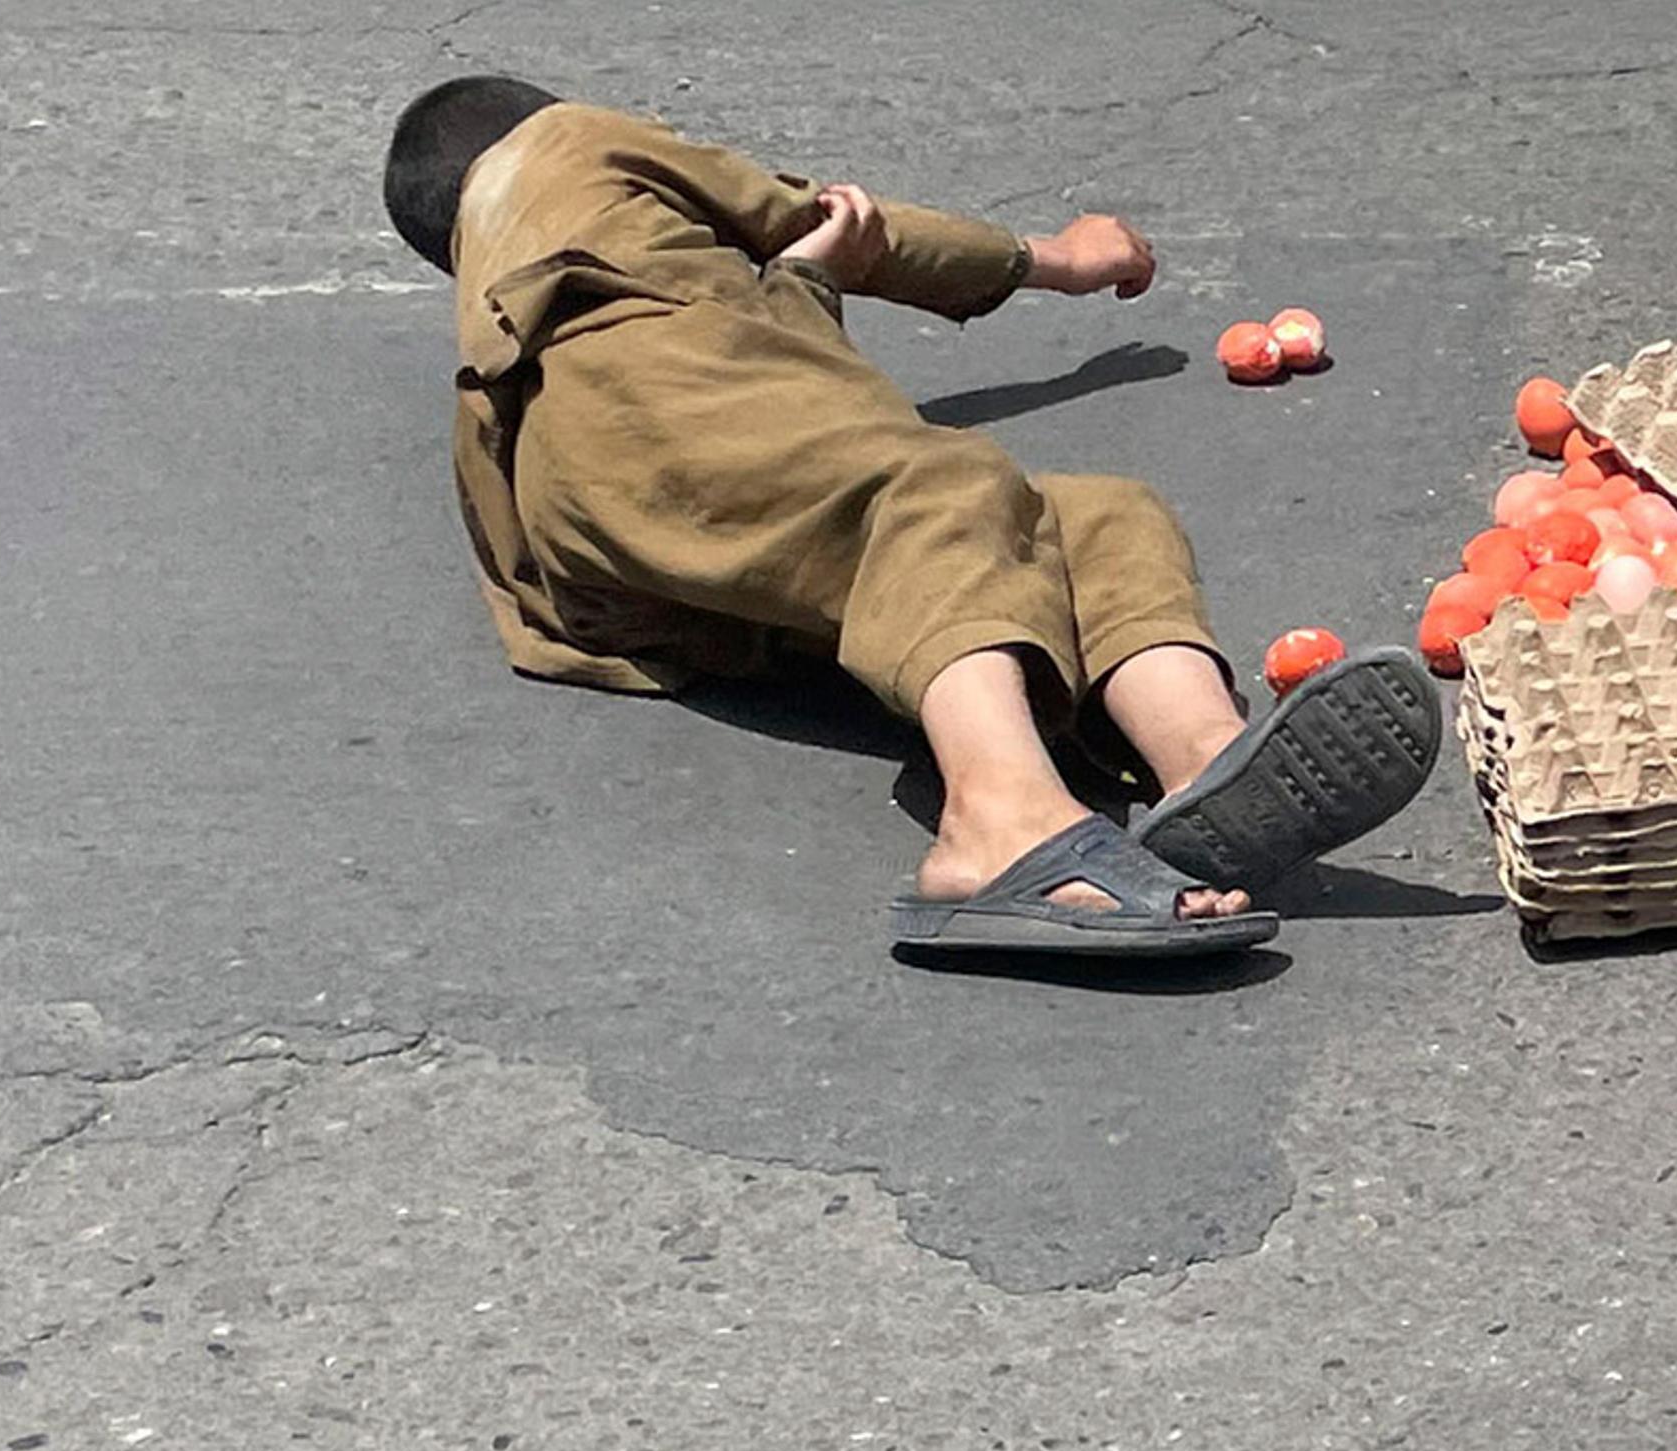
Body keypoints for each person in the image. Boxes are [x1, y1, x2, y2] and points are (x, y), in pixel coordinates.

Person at [387, 77, 1439, 969]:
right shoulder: (565, 145)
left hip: (621, 539)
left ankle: (1206, 770)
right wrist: (1062, 259)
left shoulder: (530, 280)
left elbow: (756, 417)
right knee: (940, 490)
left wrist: (803, 282)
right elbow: (817, 220)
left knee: (1092, 516)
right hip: (650, 413)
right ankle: (996, 821)